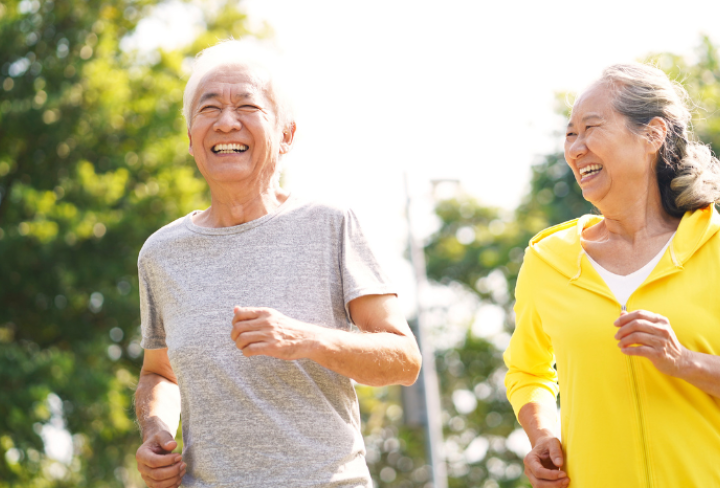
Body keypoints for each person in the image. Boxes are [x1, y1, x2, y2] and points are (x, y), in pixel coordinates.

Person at [133, 40, 422, 488]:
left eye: (247, 106)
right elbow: (159, 372)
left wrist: (306, 338)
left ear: (286, 135)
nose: (226, 121)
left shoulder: (330, 223)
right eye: (208, 109)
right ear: (191, 139)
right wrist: (155, 429)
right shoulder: (160, 254)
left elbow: (404, 360)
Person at [504, 63, 720, 488]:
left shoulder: (714, 245)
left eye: (591, 128)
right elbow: (527, 372)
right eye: (570, 134)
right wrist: (543, 434)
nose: (576, 148)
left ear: (653, 134)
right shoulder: (547, 261)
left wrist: (685, 361)